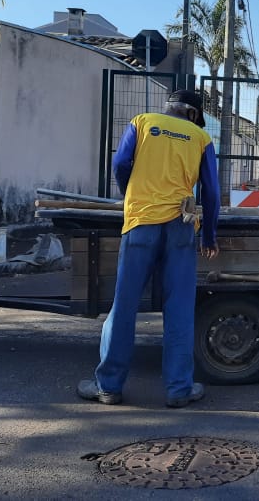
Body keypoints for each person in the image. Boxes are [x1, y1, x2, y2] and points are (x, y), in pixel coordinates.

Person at [77, 89, 220, 408]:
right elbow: (211, 192)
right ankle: (179, 389)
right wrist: (209, 235)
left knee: (124, 306)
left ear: (168, 108)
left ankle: (108, 387)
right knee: (180, 308)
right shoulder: (200, 138)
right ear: (194, 115)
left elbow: (120, 162)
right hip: (181, 228)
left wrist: (131, 193)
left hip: (140, 223)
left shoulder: (142, 122)